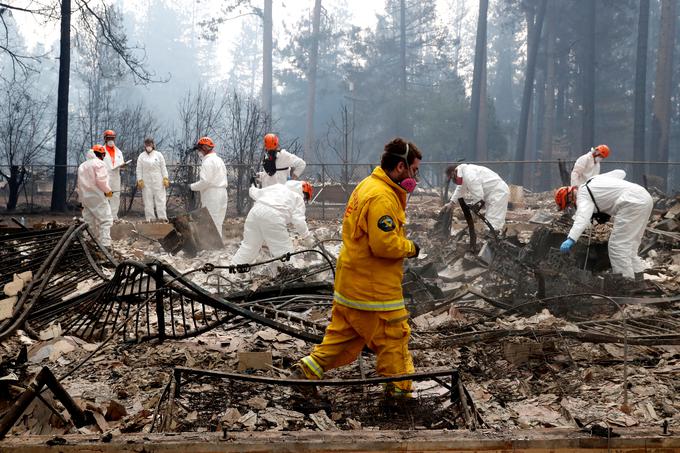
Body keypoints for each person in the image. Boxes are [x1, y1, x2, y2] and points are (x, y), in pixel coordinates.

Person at [292, 137, 422, 398]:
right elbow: (384, 245)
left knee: (344, 338)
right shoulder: (383, 197)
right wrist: (411, 248)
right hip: (374, 291)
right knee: (393, 339)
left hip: (351, 286)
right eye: (414, 171)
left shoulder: (367, 186)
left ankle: (305, 372)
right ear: (400, 167)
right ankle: (399, 399)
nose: (415, 178)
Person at [555, 169, 653, 279]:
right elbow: (621, 173)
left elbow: (582, 219)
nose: (572, 207)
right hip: (644, 197)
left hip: (631, 203)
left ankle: (626, 283)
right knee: (630, 247)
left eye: (569, 205)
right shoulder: (593, 180)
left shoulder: (583, 197)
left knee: (617, 246)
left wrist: (571, 239)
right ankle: (639, 280)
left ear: (569, 198)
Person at [232, 180, 314, 264]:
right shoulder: (298, 198)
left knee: (248, 247)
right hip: (273, 216)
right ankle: (291, 273)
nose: (304, 200)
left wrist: (252, 186)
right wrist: (307, 237)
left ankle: (232, 271)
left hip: (254, 212)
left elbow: (254, 193)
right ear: (303, 193)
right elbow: (299, 221)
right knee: (284, 252)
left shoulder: (277, 187)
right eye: (305, 198)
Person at [447, 163, 509, 232]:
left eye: (452, 177)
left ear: (454, 172)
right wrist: (451, 202)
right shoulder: (464, 173)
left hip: (498, 193)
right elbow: (460, 188)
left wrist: (474, 207)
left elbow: (478, 195)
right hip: (493, 194)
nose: (453, 180)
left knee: (494, 220)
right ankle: (492, 238)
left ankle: (494, 239)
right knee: (490, 219)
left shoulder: (469, 174)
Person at [190, 137, 228, 238]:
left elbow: (205, 182)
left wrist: (191, 187)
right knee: (218, 222)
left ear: (205, 148)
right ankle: (218, 244)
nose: (199, 152)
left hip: (212, 194)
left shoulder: (207, 162)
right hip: (223, 193)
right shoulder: (219, 160)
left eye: (199, 149)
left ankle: (213, 246)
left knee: (210, 222)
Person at [77, 145, 113, 247]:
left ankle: (90, 244)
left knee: (89, 222)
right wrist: (108, 191)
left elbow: (79, 184)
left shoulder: (82, 166)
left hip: (86, 199)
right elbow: (101, 180)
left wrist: (81, 199)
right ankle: (105, 245)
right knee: (105, 220)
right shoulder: (99, 164)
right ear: (101, 154)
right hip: (98, 197)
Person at [136, 138, 169, 221]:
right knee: (148, 201)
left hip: (158, 180)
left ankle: (162, 218)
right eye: (147, 144)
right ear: (144, 145)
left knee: (160, 200)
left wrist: (165, 178)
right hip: (146, 182)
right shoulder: (141, 156)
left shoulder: (158, 155)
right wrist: (139, 180)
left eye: (150, 144)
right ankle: (150, 220)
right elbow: (139, 169)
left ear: (153, 144)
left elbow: (163, 167)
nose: (148, 146)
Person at [102, 129, 126, 220]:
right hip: (105, 176)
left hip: (116, 176)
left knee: (115, 196)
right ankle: (105, 216)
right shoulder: (102, 150)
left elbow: (121, 163)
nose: (111, 140)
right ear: (105, 139)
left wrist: (123, 166)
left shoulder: (119, 152)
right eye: (109, 138)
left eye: (112, 138)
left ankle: (114, 216)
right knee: (105, 196)